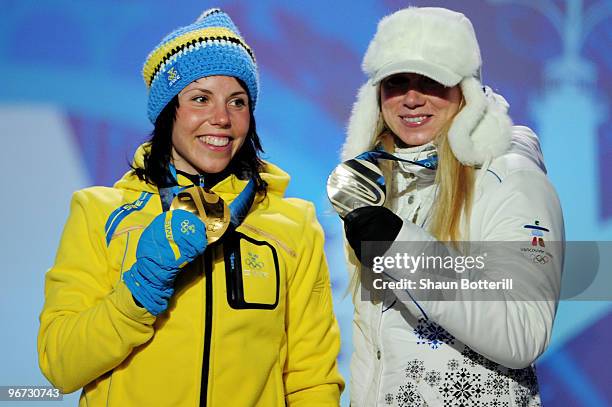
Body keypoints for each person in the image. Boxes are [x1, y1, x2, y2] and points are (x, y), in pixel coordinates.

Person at [38, 8, 343, 406]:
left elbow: (312, 379)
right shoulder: (99, 212)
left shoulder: (293, 223)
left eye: (237, 102)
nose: (221, 118)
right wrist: (140, 289)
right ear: (168, 112)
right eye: (200, 98)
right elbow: (61, 365)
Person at [336, 7, 564, 406]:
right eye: (397, 82)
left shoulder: (509, 176)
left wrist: (402, 250)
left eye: (431, 81)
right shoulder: (385, 183)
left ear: (467, 92)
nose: (411, 98)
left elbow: (523, 330)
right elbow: (374, 350)